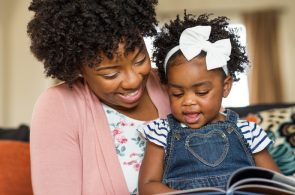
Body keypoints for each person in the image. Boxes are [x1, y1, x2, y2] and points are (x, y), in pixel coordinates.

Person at [26, 0, 170, 194]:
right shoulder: (58, 106)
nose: (133, 81)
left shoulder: (171, 84)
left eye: (140, 60)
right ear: (79, 67)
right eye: (110, 74)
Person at [137, 12, 280, 195]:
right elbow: (147, 185)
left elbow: (275, 184)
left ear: (226, 86)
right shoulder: (161, 132)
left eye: (201, 92)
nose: (188, 101)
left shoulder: (248, 131)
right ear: (167, 90)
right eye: (177, 93)